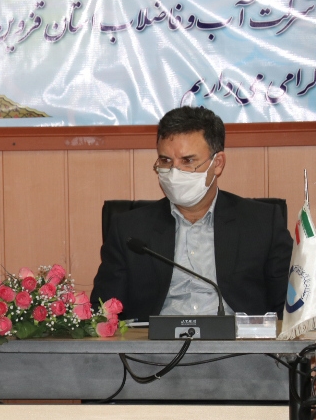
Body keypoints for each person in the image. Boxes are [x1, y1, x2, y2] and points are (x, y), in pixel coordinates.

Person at [90, 106, 293, 321]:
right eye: (166, 161)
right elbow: (103, 313)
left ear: (217, 164)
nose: (174, 172)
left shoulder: (262, 223)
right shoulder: (129, 230)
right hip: (156, 342)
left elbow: (290, 309)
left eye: (187, 161)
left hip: (237, 340)